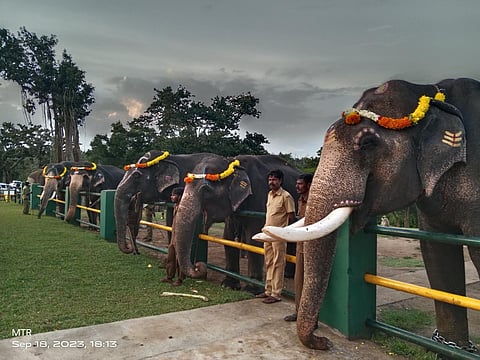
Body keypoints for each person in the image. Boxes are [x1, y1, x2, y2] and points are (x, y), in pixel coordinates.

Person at [256, 169, 295, 304]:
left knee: (278, 263)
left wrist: (285, 231)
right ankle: (268, 290)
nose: (271, 182)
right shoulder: (269, 195)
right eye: (270, 180)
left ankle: (276, 293)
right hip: (268, 234)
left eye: (274, 180)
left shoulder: (286, 196)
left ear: (280, 181)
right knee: (269, 261)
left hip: (279, 235)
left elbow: (291, 216)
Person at [284, 173, 313, 321]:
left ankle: (310, 316)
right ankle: (298, 312)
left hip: (313, 244)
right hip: (300, 243)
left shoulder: (315, 200)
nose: (297, 186)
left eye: (300, 184)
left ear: (308, 185)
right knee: (298, 280)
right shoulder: (300, 199)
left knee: (311, 282)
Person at [160, 187, 185, 286]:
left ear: (179, 196)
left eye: (174, 195)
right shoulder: (176, 206)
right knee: (171, 256)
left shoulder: (184, 208)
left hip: (181, 236)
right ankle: (169, 276)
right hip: (174, 235)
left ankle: (180, 278)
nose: (172, 197)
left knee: (180, 258)